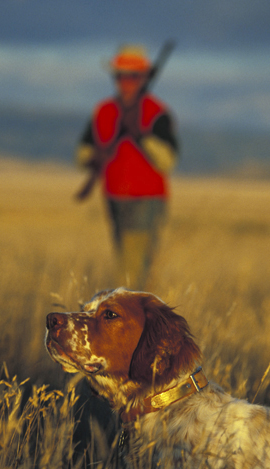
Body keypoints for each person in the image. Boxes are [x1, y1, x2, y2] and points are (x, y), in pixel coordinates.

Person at [76, 45, 179, 289]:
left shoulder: (157, 113)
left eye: (132, 76)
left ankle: (128, 320)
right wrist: (96, 158)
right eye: (120, 76)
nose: (126, 82)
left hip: (147, 199)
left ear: (143, 78)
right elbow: (83, 153)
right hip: (114, 197)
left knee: (131, 271)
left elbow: (167, 160)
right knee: (127, 263)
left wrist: (139, 135)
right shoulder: (103, 111)